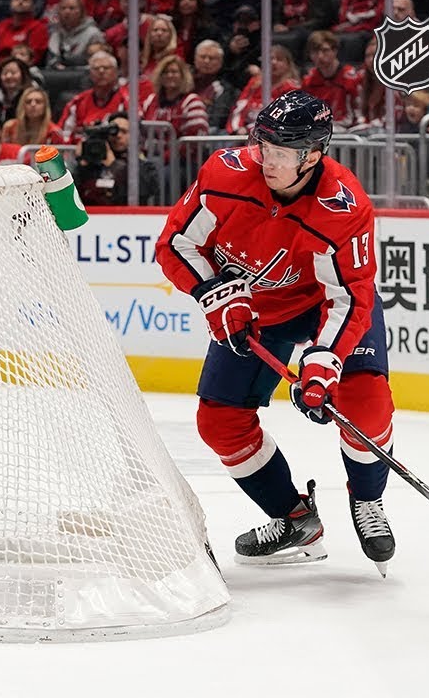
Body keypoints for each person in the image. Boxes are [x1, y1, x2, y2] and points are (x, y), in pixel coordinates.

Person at [154, 91, 398, 574]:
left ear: (312, 156)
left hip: (323, 306)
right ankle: (295, 518)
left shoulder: (344, 206)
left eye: (282, 153)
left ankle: (368, 498)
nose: (267, 160)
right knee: (219, 423)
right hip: (257, 311)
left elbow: (349, 297)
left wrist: (324, 362)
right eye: (263, 146)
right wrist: (215, 292)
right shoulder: (226, 175)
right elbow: (175, 244)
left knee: (366, 404)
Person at [73, 112, 158, 205]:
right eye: (113, 131)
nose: (118, 135)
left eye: (124, 131)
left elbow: (144, 191)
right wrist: (82, 164)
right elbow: (73, 193)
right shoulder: (92, 164)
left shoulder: (144, 167)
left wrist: (114, 165)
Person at [228, 44, 301, 135]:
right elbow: (240, 107)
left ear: (288, 65)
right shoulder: (255, 83)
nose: (274, 62)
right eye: (270, 59)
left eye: (279, 59)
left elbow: (282, 118)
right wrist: (236, 129)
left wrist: (249, 129)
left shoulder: (292, 88)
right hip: (244, 133)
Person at [58, 50, 128, 143]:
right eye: (96, 68)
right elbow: (63, 135)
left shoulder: (126, 100)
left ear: (116, 72)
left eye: (106, 68)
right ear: (90, 74)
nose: (101, 71)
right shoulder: (78, 102)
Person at [302, 31, 364, 127]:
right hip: (320, 129)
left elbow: (360, 113)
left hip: (349, 129)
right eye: (314, 52)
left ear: (335, 51)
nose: (320, 56)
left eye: (325, 50)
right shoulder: (308, 81)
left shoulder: (351, 78)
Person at [47, 0, 106, 68]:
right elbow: (51, 61)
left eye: (72, 8)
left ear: (81, 12)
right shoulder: (55, 33)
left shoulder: (93, 33)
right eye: (63, 8)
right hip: (59, 73)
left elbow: (99, 63)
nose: (67, 12)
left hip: (85, 72)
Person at [0, 0, 50, 64]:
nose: (20, 2)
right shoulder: (2, 25)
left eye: (25, 0)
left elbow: (34, 57)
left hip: (22, 67)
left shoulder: (38, 27)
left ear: (32, 6)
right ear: (11, 4)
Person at [1, 87, 67, 145]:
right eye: (28, 102)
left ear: (45, 107)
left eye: (38, 101)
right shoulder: (10, 127)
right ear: (23, 106)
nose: (33, 104)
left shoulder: (54, 132)